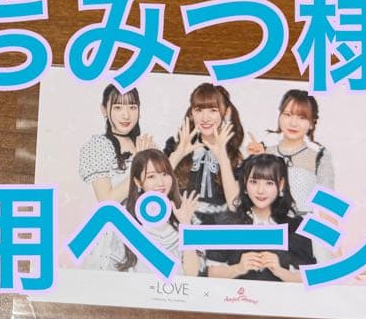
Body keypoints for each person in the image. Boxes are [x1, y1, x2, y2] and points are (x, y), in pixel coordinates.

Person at [246, 89, 335, 263]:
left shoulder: (319, 157)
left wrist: (339, 255)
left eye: (302, 117)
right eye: (287, 114)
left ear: (312, 123)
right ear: (279, 116)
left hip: (303, 234)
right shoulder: (263, 151)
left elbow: (327, 209)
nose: (293, 123)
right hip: (267, 229)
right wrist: (253, 160)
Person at [205, 154, 316, 282]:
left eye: (269, 183)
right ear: (245, 182)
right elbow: (212, 273)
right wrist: (238, 268)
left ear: (281, 185)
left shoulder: (296, 226)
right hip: (237, 294)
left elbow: (309, 278)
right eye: (254, 182)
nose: (260, 190)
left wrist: (281, 271)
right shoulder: (227, 222)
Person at [91, 149, 203, 275]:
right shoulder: (125, 220)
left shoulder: (184, 212)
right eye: (151, 176)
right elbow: (114, 271)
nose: (160, 183)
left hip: (177, 287)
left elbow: (192, 274)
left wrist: (186, 223)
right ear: (138, 182)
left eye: (165, 174)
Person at [162, 83, 245, 222]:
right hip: (178, 224)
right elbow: (155, 191)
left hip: (219, 229)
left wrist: (222, 157)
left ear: (226, 112)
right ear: (192, 113)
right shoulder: (175, 147)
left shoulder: (237, 156)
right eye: (199, 110)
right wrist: (178, 153)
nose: (205, 118)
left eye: (213, 110)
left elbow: (234, 204)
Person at [78, 85, 154, 203]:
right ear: (104, 110)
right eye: (118, 107)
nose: (126, 115)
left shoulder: (145, 143)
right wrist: (139, 165)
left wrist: (179, 153)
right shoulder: (98, 146)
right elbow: (106, 201)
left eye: (132, 107)